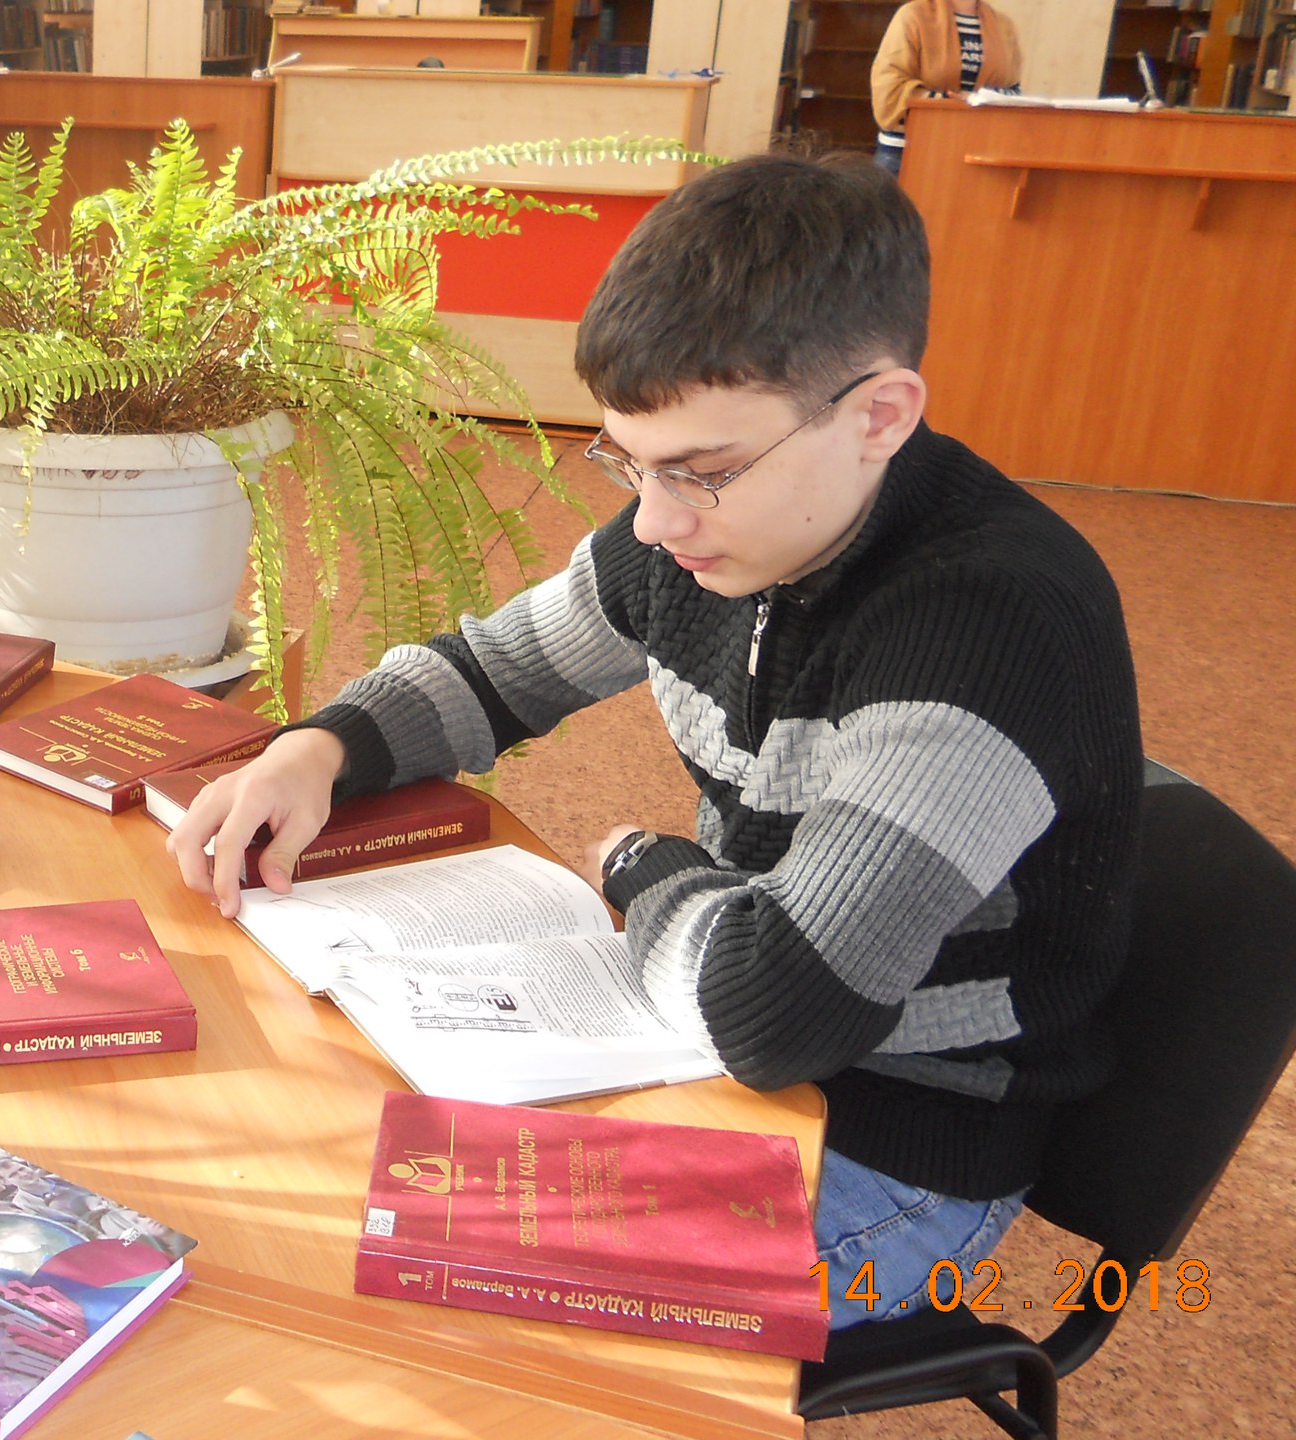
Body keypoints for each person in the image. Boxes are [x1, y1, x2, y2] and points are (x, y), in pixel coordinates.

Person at [166, 155, 1141, 1329]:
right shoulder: (702, 536)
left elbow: (777, 1012)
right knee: (324, 1168)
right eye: (627, 461)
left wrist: (641, 867)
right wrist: (314, 751)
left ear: (879, 416)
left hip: (891, 1146)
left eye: (702, 472)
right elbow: (491, 670)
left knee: (411, 1305)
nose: (653, 518)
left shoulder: (985, 629)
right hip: (711, 1037)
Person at [872, 0, 1023, 174]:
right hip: (907, 151)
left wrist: (981, 99)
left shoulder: (1003, 25)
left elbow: (1013, 92)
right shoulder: (912, 15)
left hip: (973, 151)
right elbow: (890, 88)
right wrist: (953, 104)